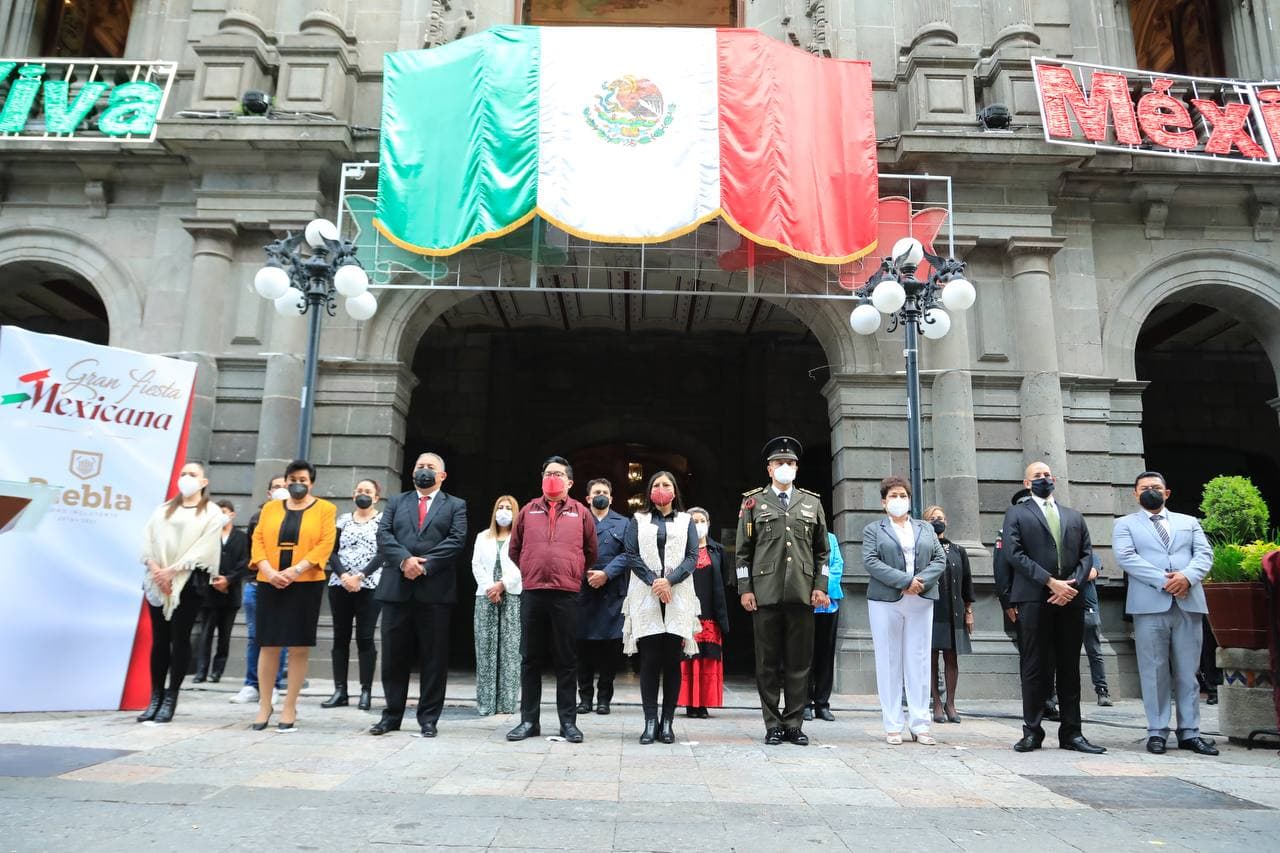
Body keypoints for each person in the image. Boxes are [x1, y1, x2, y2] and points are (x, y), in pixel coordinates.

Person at [1113, 471, 1218, 756]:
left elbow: (1205, 555)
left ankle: (1190, 732)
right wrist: (1166, 581)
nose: (1151, 491)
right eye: (1145, 488)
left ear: (1167, 493)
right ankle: (1157, 731)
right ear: (1135, 494)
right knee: (1154, 671)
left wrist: (1186, 577)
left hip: (1188, 601)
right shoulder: (1124, 525)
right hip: (1149, 605)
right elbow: (1126, 557)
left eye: (1156, 488)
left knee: (1189, 672)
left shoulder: (1189, 522)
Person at [1004, 461, 1105, 754]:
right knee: (1034, 666)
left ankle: (1072, 733)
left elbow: (1087, 555)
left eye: (1047, 475)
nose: (1043, 479)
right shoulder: (1017, 513)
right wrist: (1050, 582)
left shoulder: (1074, 516)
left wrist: (1071, 585)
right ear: (1027, 483)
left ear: (1055, 479)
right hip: (1034, 598)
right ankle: (1032, 731)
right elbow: (1014, 553)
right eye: (1037, 476)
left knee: (1070, 667)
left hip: (1070, 600)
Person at [736, 436, 830, 746]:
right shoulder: (752, 502)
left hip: (802, 593)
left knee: (799, 662)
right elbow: (742, 553)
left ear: (797, 468)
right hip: (765, 593)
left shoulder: (811, 502)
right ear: (769, 469)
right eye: (780, 463)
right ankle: (772, 723)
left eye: (790, 463)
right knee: (767, 663)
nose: (785, 467)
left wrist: (820, 586)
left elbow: (822, 552)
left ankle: (794, 722)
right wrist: (745, 589)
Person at [372, 452, 467, 737]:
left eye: (430, 467)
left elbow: (456, 540)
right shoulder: (396, 501)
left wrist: (423, 566)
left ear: (442, 475)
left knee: (434, 658)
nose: (424, 471)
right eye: (420, 466)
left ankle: (428, 719)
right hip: (396, 588)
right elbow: (384, 535)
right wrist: (405, 560)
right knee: (393, 657)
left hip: (435, 591)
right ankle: (391, 715)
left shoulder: (456, 505)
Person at [506, 456, 598, 744]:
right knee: (530, 658)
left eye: (558, 474)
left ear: (570, 482)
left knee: (566, 659)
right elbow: (514, 549)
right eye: (548, 473)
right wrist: (533, 569)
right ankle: (529, 721)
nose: (553, 478)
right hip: (533, 592)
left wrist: (570, 571)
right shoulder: (527, 511)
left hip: (566, 593)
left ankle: (568, 723)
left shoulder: (581, 513)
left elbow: (591, 551)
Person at [249, 459, 337, 732]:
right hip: (270, 580)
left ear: (311, 482)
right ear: (285, 481)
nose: (297, 484)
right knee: (268, 643)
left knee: (298, 645)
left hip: (305, 582)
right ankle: (265, 704)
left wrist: (295, 570)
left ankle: (290, 705)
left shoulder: (325, 509)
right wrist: (268, 570)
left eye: (303, 479)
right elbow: (258, 540)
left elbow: (325, 544)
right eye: (292, 479)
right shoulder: (270, 509)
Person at [136, 462, 224, 723]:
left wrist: (173, 571)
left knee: (180, 638)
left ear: (203, 481)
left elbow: (203, 549)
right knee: (160, 640)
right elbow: (147, 541)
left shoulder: (211, 512)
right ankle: (155, 696)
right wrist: (156, 569)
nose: (186, 478)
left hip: (186, 583)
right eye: (183, 474)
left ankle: (171, 696)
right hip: (158, 580)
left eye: (193, 474)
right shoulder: (163, 509)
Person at [862, 478, 945, 745]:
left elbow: (939, 558)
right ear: (884, 502)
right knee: (889, 660)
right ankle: (893, 724)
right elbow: (871, 561)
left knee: (919, 661)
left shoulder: (925, 528)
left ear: (909, 500)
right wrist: (904, 581)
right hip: (886, 600)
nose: (898, 499)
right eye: (893, 495)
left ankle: (921, 724)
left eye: (903, 495)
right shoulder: (874, 529)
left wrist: (919, 581)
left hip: (921, 598)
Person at [621, 472, 700, 744]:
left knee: (672, 662)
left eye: (666, 485)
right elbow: (632, 555)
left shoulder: (686, 520)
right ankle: (650, 722)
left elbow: (692, 556)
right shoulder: (638, 520)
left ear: (675, 491)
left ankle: (668, 722)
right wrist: (655, 582)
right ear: (649, 491)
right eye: (656, 485)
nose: (661, 489)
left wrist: (670, 581)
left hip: (678, 594)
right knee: (650, 661)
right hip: (646, 593)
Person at [994, 487, 1058, 720]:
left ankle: (1049, 700)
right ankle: (1035, 704)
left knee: (1051, 653)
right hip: (1021, 601)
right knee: (1031, 655)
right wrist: (1006, 601)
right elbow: (1002, 568)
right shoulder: (1006, 532)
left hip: (1051, 597)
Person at [321, 479, 385, 712]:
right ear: (353, 495)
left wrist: (360, 576)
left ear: (376, 497)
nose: (363, 495)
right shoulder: (343, 520)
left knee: (365, 638)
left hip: (369, 586)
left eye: (368, 492)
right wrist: (345, 576)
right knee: (340, 637)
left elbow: (383, 552)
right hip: (340, 584)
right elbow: (332, 551)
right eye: (359, 491)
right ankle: (340, 691)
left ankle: (366, 691)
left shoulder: (382, 521)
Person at [230, 475, 289, 705]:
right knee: (255, 637)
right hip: (257, 583)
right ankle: (252, 684)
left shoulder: (298, 518)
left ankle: (272, 685)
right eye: (276, 487)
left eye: (285, 486)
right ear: (268, 492)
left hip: (285, 584)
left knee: (278, 638)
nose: (281, 490)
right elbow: (251, 552)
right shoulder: (257, 518)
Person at [577, 478, 630, 715]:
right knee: (582, 648)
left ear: (611, 497)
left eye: (605, 492)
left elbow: (629, 554)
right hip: (582, 590)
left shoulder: (624, 523)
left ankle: (604, 699)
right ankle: (585, 698)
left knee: (610, 650)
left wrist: (606, 574)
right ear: (588, 498)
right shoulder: (576, 519)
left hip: (612, 592)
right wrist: (586, 572)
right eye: (596, 492)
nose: (601, 495)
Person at [472, 495, 523, 716]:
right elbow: (476, 564)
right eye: (500, 507)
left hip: (511, 593)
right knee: (485, 649)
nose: (503, 511)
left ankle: (507, 703)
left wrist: (502, 584)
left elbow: (523, 564)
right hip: (485, 595)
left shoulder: (522, 537)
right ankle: (486, 704)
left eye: (508, 508)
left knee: (511, 650)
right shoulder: (482, 537)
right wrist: (489, 588)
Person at [923, 505, 973, 725]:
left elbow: (967, 583)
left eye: (940, 518)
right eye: (933, 518)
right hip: (932, 609)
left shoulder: (957, 550)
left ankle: (951, 703)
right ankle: (936, 702)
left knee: (951, 656)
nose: (937, 521)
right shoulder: (923, 548)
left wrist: (969, 612)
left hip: (954, 610)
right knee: (932, 657)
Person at [679, 507, 730, 719]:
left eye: (702, 520)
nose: (698, 524)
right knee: (688, 657)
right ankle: (690, 703)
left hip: (710, 612)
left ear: (708, 523)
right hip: (686, 612)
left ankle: (704, 704)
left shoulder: (718, 550)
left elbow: (725, 579)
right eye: (694, 521)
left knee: (708, 657)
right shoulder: (679, 549)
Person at [194, 500, 249, 684]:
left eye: (224, 511)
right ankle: (201, 671)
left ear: (232, 514)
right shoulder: (209, 536)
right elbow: (200, 560)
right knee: (206, 634)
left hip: (230, 595)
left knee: (224, 635)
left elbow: (244, 563)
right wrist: (213, 579)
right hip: (209, 594)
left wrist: (229, 580)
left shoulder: (241, 538)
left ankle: (217, 671)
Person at [806, 530, 843, 722]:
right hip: (806, 602)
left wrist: (824, 591)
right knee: (804, 656)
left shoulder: (831, 538)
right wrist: (814, 591)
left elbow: (837, 564)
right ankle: (804, 703)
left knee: (825, 656)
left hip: (829, 604)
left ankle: (822, 703)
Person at [1082, 553, 1112, 707]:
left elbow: (1092, 573)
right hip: (1066, 609)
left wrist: (1069, 576)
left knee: (1094, 652)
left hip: (1088, 610)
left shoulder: (1091, 556)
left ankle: (1102, 690)